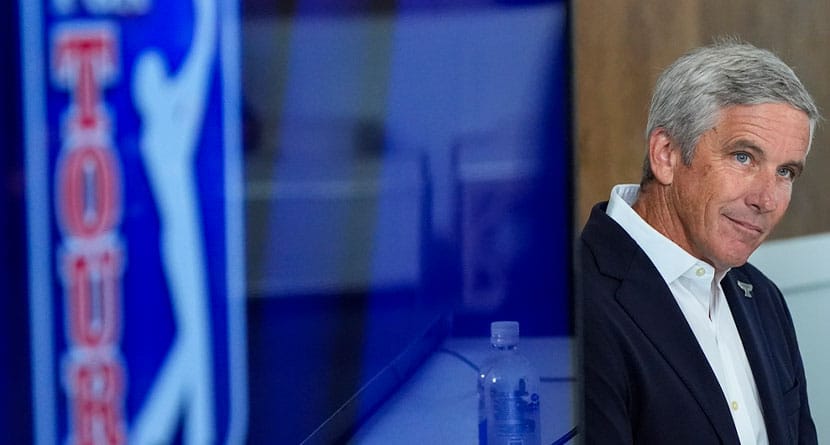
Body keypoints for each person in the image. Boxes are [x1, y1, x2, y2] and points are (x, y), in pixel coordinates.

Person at [580, 40, 820, 444]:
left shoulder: (763, 298)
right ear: (667, 154)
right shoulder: (576, 304)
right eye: (743, 157)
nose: (766, 199)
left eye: (786, 172)